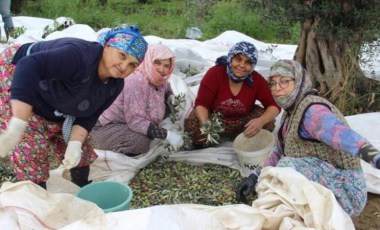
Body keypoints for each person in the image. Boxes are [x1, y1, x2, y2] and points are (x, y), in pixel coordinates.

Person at [0, 25, 148, 189]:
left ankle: (83, 186)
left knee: (79, 144)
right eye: (122, 55)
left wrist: (75, 144)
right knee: (30, 141)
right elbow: (28, 66)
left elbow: (90, 113)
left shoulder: (115, 85)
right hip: (19, 72)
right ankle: (37, 194)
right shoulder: (78, 56)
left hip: (58, 90)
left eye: (132, 65)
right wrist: (18, 123)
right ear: (107, 46)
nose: (124, 66)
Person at [236, 59, 380, 217]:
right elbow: (278, 151)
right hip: (324, 178)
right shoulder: (289, 113)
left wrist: (373, 155)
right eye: (273, 83)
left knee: (285, 167)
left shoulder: (312, 110)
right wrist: (254, 176)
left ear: (298, 82)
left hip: (347, 191)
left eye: (284, 82)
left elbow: (338, 133)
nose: (277, 88)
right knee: (275, 170)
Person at [91, 43, 183, 155]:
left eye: (166, 66)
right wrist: (166, 135)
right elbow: (136, 121)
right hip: (108, 125)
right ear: (149, 61)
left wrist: (170, 97)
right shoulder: (136, 81)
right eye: (157, 63)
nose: (161, 69)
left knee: (169, 109)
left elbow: (167, 87)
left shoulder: (159, 80)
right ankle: (94, 142)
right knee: (140, 143)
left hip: (129, 121)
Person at [184, 41, 280, 149]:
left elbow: (274, 105)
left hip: (242, 121)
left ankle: (241, 137)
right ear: (230, 58)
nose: (242, 65)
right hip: (215, 121)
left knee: (267, 123)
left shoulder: (256, 80)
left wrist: (260, 121)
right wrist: (207, 125)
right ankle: (216, 137)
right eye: (238, 59)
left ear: (253, 65)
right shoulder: (215, 74)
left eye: (248, 62)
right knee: (192, 129)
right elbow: (201, 104)